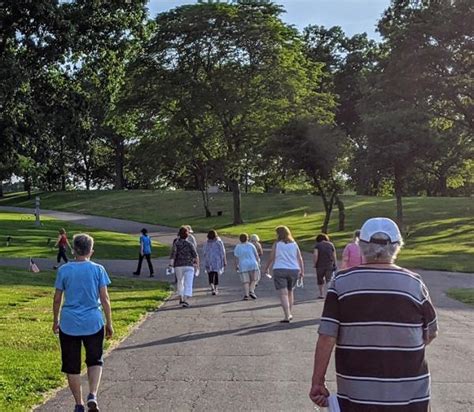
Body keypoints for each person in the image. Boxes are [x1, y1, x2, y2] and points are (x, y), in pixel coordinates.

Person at [309, 217, 438, 411]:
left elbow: (327, 336)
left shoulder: (341, 283)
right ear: (397, 247)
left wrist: (317, 381)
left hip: (358, 396)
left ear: (361, 246)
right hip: (409, 396)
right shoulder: (415, 283)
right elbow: (430, 333)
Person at [52, 234, 113, 412]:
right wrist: (109, 322)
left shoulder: (64, 270)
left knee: (72, 365)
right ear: (91, 251)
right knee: (95, 360)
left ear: (73, 250)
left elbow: (57, 298)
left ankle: (78, 403)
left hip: (69, 322)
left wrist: (55, 320)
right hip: (93, 321)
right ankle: (92, 394)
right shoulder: (98, 269)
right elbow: (105, 298)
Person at [263, 226, 304, 323]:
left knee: (283, 293)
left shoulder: (277, 244)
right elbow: (300, 258)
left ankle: (287, 314)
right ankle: (290, 312)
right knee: (290, 292)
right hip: (294, 269)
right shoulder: (294, 244)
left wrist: (266, 268)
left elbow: (271, 257)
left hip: (280, 268)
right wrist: (302, 270)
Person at [169, 226, 199, 307]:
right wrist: (197, 266)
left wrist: (171, 265)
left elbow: (173, 255)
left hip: (178, 266)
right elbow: (195, 255)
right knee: (188, 282)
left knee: (180, 281)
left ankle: (181, 297)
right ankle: (185, 298)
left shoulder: (176, 244)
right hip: (189, 265)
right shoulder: (190, 244)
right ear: (187, 235)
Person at [233, 233, 260, 300]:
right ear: (247, 238)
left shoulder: (238, 247)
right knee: (254, 279)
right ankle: (251, 290)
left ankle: (246, 295)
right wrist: (258, 262)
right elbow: (256, 255)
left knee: (246, 281)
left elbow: (236, 257)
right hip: (253, 264)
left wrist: (236, 265)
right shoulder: (251, 245)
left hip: (243, 265)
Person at [313, 233, 337, 299]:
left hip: (320, 265)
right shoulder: (331, 245)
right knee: (329, 279)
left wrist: (315, 263)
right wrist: (335, 263)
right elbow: (334, 255)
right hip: (329, 264)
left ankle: (321, 294)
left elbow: (315, 255)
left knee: (320, 280)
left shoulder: (317, 245)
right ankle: (330, 294)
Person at [203, 230, 226, 295]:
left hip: (209, 260)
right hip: (217, 260)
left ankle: (212, 286)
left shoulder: (206, 243)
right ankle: (216, 288)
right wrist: (224, 260)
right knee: (216, 274)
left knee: (210, 274)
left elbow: (204, 252)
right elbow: (222, 251)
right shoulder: (219, 242)